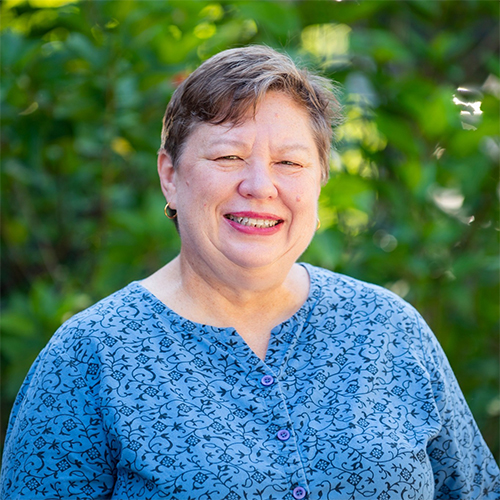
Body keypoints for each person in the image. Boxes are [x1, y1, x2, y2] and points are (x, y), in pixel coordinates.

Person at [1, 45, 499, 500]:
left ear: (320, 181)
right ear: (170, 177)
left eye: (289, 162)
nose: (260, 186)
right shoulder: (88, 358)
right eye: (228, 156)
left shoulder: (391, 329)